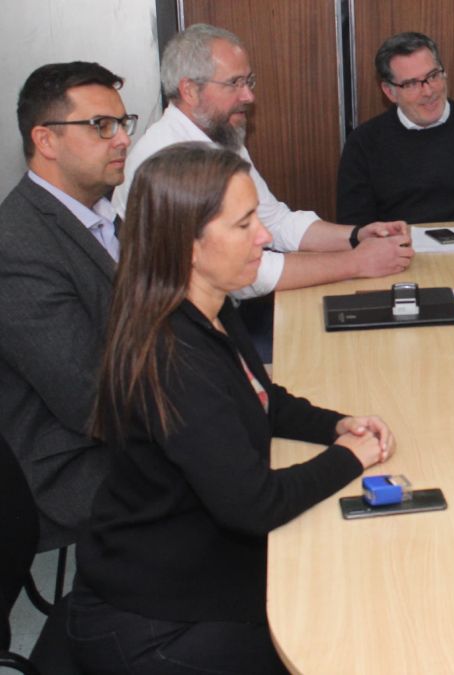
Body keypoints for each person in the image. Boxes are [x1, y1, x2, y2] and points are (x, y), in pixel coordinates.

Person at [68, 143, 396, 673]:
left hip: (190, 571)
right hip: (154, 624)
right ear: (188, 245)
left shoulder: (209, 309)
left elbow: (262, 398)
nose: (263, 236)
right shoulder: (174, 358)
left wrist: (336, 424)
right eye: (244, 224)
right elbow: (255, 505)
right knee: (347, 645)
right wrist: (349, 458)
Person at [114, 23, 413, 299]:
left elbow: (275, 221)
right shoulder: (165, 160)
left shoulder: (220, 133)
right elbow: (244, 276)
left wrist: (356, 236)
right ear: (190, 90)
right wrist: (356, 262)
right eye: (234, 83)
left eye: (249, 81)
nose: (249, 96)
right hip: (182, 324)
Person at [0, 62, 134, 550]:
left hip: (129, 422)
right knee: (240, 482)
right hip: (72, 464)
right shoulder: (16, 244)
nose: (123, 139)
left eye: (123, 123)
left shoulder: (101, 214)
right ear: (46, 140)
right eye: (102, 125)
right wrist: (208, 416)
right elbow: (90, 401)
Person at [337, 32, 454, 226]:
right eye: (412, 84)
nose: (428, 91)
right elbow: (356, 227)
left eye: (432, 76)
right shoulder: (364, 143)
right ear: (390, 92)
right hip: (403, 244)